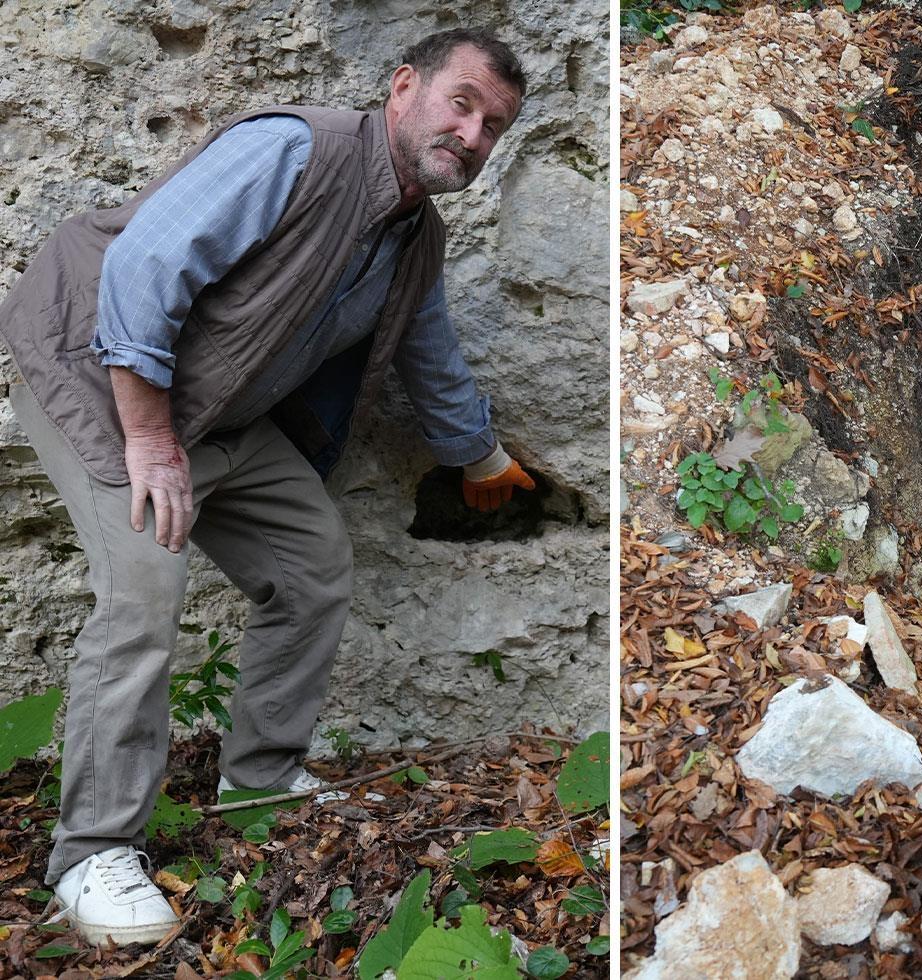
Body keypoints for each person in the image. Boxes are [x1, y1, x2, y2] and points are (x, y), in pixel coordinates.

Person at [0, 27, 537, 945]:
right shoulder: (294, 150)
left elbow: (430, 352)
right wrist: (149, 439)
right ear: (404, 86)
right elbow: (141, 269)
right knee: (143, 594)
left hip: (221, 419)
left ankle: (257, 779)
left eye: (493, 126)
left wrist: (482, 458)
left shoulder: (416, 236)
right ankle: (90, 855)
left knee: (313, 564)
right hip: (99, 383)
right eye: (462, 103)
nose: (473, 135)